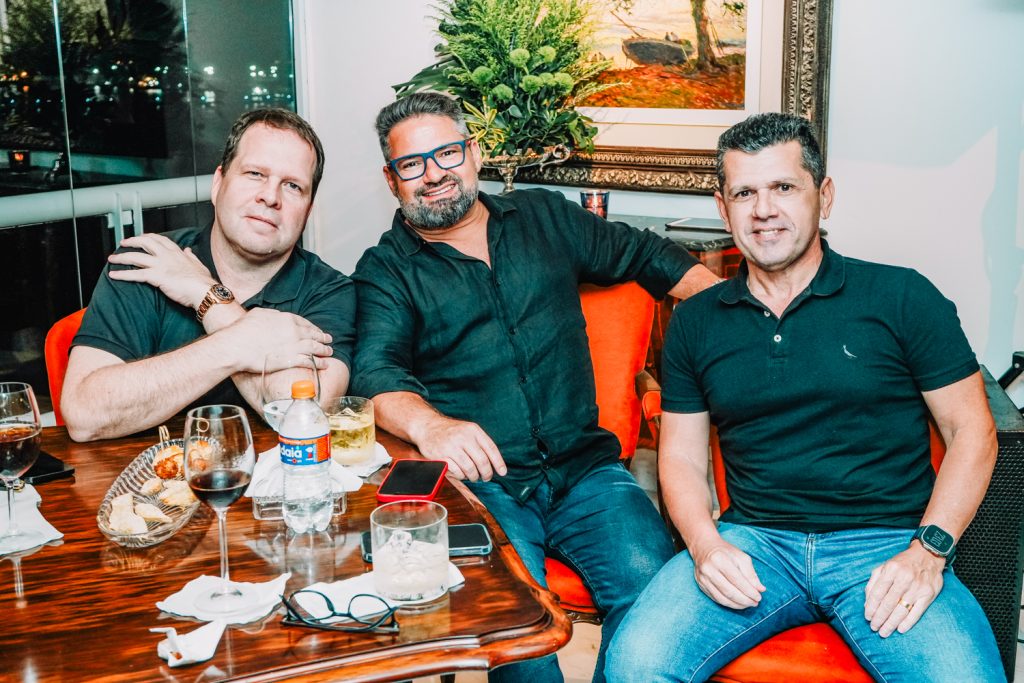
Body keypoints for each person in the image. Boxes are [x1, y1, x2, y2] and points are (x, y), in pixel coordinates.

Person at [605, 112, 1003, 682]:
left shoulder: (902, 297)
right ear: (723, 208)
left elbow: (973, 432)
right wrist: (705, 545)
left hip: (886, 544)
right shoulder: (696, 321)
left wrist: (928, 551)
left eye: (783, 187)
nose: (763, 210)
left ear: (824, 195)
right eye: (744, 193)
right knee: (634, 665)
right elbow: (683, 457)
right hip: (756, 543)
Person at [352, 92, 720, 683]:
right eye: (412, 163)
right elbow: (374, 372)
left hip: (587, 472)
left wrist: (736, 309)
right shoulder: (386, 269)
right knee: (519, 633)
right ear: (391, 179)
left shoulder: (545, 217)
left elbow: (644, 252)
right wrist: (431, 426)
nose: (435, 174)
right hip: (484, 486)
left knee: (658, 606)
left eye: (447, 153)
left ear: (474, 154)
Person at [62, 108, 354, 441]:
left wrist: (207, 296)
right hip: (147, 472)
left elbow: (302, 416)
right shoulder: (149, 260)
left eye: (292, 186)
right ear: (218, 183)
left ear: (308, 210)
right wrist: (238, 344)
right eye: (255, 174)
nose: (270, 197)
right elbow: (85, 416)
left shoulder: (330, 291)